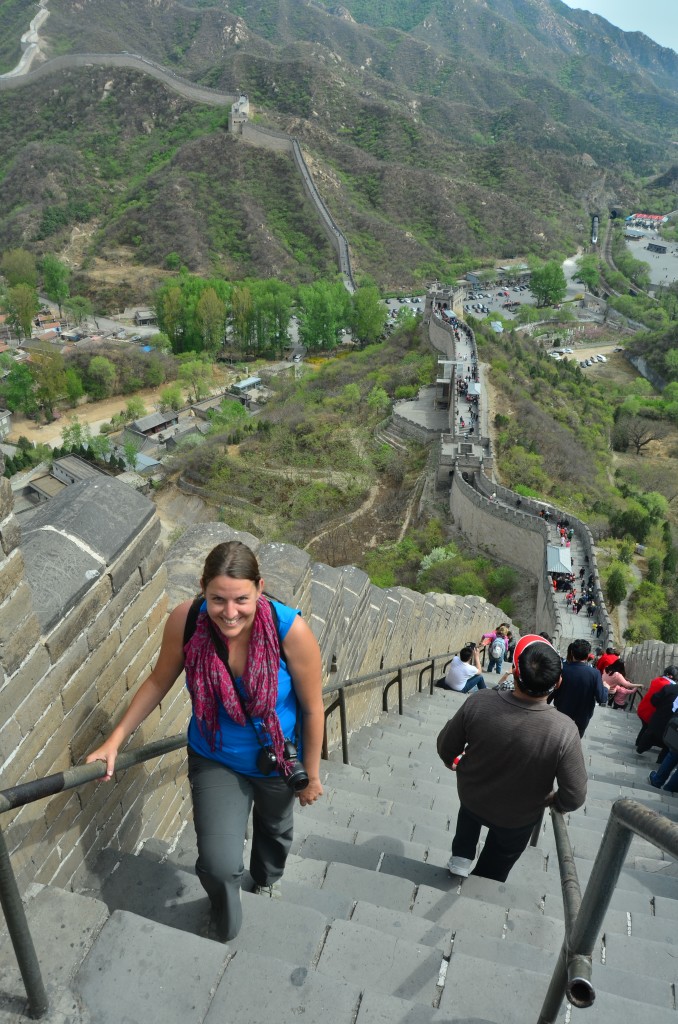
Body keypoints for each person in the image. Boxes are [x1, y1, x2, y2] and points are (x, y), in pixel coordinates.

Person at [85, 541, 324, 941]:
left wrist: (311, 775)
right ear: (202, 590)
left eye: (241, 600)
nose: (230, 613)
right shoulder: (187, 620)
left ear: (259, 588)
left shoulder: (290, 631)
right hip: (215, 755)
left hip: (276, 759)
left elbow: (314, 708)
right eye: (218, 599)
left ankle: (266, 879)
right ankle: (227, 921)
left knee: (275, 827)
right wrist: (116, 739)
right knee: (216, 863)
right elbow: (159, 680)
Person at [437, 634, 586, 882]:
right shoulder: (564, 730)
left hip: (473, 794)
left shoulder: (479, 702)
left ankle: (461, 857)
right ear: (558, 683)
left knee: (469, 816)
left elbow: (446, 749)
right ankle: (484, 883)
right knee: (498, 861)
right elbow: (574, 796)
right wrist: (555, 801)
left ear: (514, 672)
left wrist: (460, 765)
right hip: (519, 815)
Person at [552, 638, 607, 736]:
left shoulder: (562, 668)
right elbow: (601, 698)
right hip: (582, 716)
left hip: (561, 712)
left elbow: (554, 688)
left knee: (558, 736)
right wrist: (605, 689)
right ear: (588, 655)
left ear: (572, 652)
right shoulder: (594, 674)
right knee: (574, 740)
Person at [636, 666, 678, 748]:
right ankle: (640, 745)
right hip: (650, 712)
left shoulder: (657, 680)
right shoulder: (668, 685)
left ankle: (639, 743)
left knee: (645, 728)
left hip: (643, 708)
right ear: (671, 676)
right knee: (648, 729)